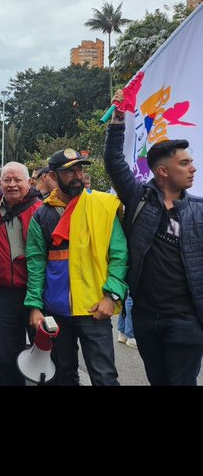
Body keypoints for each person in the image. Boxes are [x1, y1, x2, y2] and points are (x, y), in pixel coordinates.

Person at [104, 93, 203, 385]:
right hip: (146, 318)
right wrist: (118, 119)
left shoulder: (199, 211)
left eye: (191, 162)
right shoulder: (139, 199)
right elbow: (113, 160)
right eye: (184, 163)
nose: (192, 168)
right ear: (162, 171)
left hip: (186, 321)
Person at [25, 149, 127, 386]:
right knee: (63, 375)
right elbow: (36, 263)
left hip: (95, 308)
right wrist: (34, 306)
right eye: (69, 171)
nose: (77, 175)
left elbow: (120, 255)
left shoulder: (103, 205)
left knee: (104, 377)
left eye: (79, 169)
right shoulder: (42, 214)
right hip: (55, 311)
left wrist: (111, 295)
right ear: (52, 175)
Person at [0, 162, 42, 386]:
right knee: (7, 355)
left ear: (29, 182)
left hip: (36, 292)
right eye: (7, 180)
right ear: (0, 183)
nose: (12, 184)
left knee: (46, 352)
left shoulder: (41, 210)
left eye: (18, 180)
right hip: (2, 294)